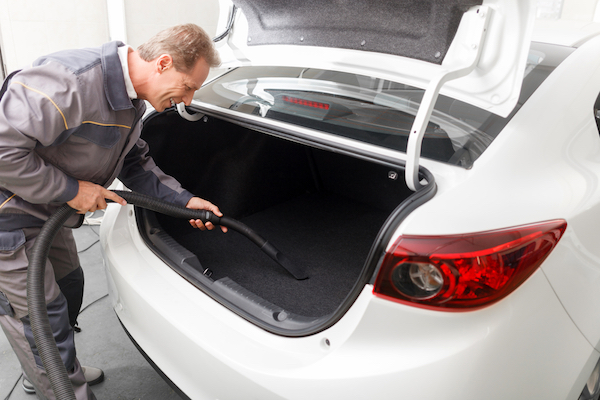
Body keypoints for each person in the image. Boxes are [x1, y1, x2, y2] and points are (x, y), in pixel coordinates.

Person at [0, 23, 224, 399]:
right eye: (188, 86)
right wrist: (71, 190)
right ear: (164, 63)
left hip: (46, 211)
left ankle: (52, 366)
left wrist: (183, 202)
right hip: (9, 218)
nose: (187, 99)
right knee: (41, 318)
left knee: (70, 286)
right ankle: (60, 383)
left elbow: (135, 162)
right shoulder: (68, 82)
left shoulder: (132, 100)